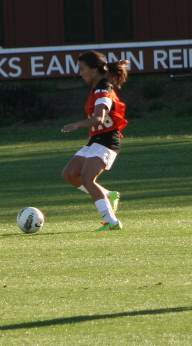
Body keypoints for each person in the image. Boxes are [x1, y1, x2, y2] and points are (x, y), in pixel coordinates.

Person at [61, 50, 130, 231]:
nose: (80, 73)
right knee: (69, 174)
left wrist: (77, 125)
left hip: (107, 141)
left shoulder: (102, 88)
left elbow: (99, 117)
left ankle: (112, 222)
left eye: (83, 68)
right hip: (97, 139)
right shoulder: (96, 86)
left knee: (87, 179)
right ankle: (108, 195)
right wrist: (92, 133)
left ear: (94, 69)